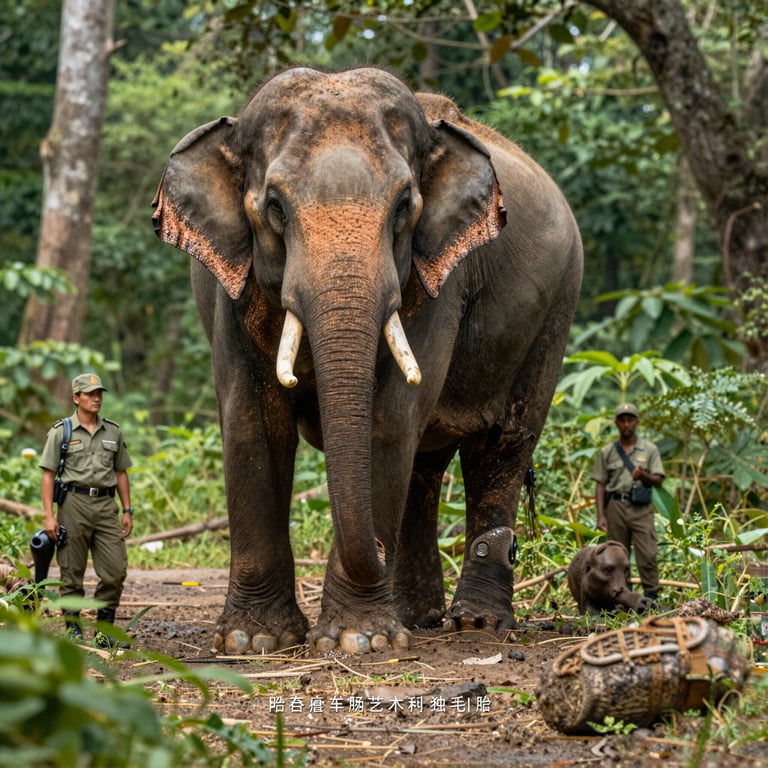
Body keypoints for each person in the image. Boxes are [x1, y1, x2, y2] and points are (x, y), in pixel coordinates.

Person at [40, 373, 134, 647]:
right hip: (73, 504)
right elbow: (47, 475)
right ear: (76, 398)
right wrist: (49, 515)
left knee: (115, 571)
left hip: (105, 506)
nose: (96, 398)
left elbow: (121, 472)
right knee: (71, 572)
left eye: (99, 393)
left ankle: (104, 634)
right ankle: (74, 631)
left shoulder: (113, 431)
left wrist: (128, 510)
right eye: (90, 394)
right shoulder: (61, 432)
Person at [592, 402, 665, 601]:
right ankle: (624, 597)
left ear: (637, 422)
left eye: (630, 420)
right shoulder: (607, 452)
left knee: (647, 553)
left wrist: (644, 476)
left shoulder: (649, 449)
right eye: (622, 420)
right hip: (616, 507)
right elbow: (600, 485)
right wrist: (601, 515)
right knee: (617, 556)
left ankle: (651, 597)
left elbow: (658, 480)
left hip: (641, 508)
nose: (626, 424)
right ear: (616, 423)